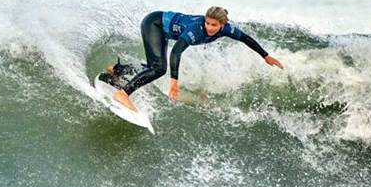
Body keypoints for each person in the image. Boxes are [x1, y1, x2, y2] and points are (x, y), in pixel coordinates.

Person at [108, 7, 284, 111]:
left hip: (162, 28)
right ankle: (123, 94)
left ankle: (118, 70)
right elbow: (176, 52)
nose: (209, 27)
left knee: (153, 67)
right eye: (207, 22)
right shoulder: (196, 30)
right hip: (154, 24)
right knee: (159, 69)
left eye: (214, 25)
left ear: (222, 25)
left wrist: (265, 56)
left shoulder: (227, 29)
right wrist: (174, 81)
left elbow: (245, 38)